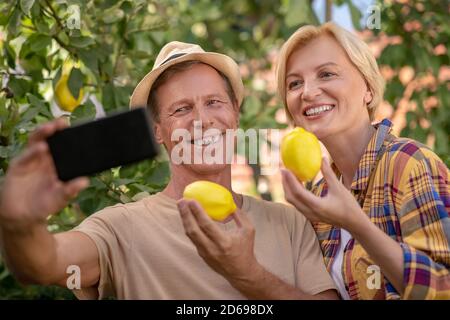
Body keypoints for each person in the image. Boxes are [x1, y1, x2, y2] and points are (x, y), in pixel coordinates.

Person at [0, 41, 338, 300]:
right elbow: (43, 265)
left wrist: (248, 275)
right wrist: (19, 224)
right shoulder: (122, 228)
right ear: (158, 130)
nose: (202, 120)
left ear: (235, 114)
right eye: (181, 109)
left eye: (214, 102)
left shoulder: (290, 223)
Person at [276, 22, 450, 300]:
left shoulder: (408, 164)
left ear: (367, 88)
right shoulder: (320, 196)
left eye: (326, 74)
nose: (307, 92)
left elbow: (444, 287)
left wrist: (357, 224)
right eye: (294, 83)